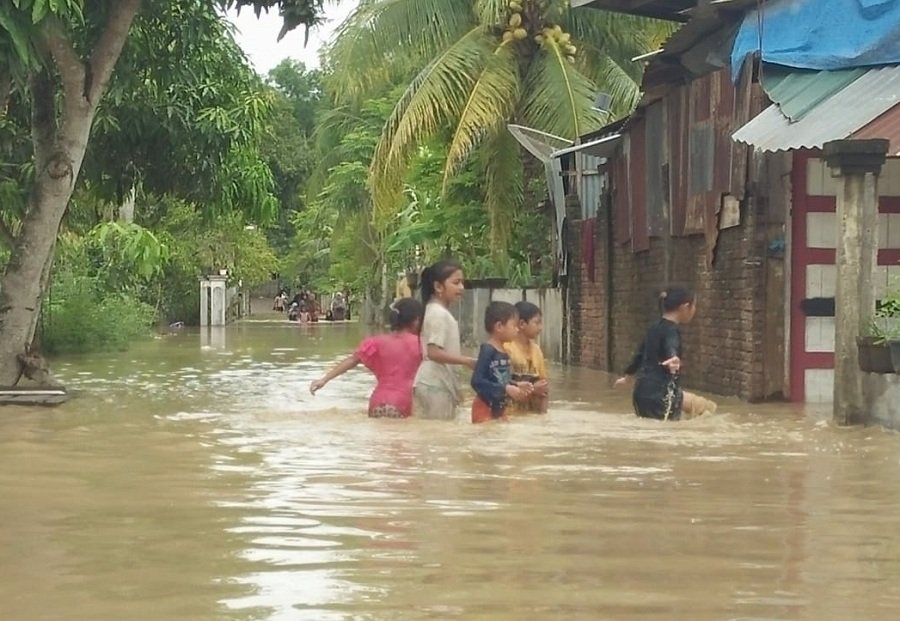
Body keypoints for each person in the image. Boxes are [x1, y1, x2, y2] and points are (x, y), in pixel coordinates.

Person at [614, 286, 717, 421]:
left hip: (640, 393)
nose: (694, 310)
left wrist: (627, 377)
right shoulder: (672, 330)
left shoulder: (653, 328)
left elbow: (639, 355)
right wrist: (673, 357)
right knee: (709, 410)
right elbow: (671, 344)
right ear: (685, 307)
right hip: (661, 394)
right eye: (694, 306)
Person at [309, 298, 424, 418]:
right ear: (416, 320)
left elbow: (352, 360)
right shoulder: (420, 344)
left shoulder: (375, 343)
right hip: (403, 401)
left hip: (377, 401)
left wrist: (324, 380)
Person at [413, 260, 476, 420]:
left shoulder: (435, 311)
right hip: (434, 383)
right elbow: (434, 352)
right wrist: (467, 361)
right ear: (439, 287)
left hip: (434, 382)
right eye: (456, 283)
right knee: (439, 436)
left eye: (462, 282)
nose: (462, 288)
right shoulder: (438, 314)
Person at [471, 302, 533, 424]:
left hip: (498, 407)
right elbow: (476, 381)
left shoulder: (504, 351)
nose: (517, 329)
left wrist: (516, 384)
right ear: (499, 326)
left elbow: (498, 378)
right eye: (514, 325)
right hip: (484, 406)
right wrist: (506, 388)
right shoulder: (488, 350)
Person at [503, 301, 550, 414]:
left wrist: (543, 417)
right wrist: (533, 389)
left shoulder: (537, 351)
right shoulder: (506, 348)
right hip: (509, 415)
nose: (540, 328)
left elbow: (544, 389)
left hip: (530, 416)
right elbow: (499, 384)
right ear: (522, 324)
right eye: (537, 323)